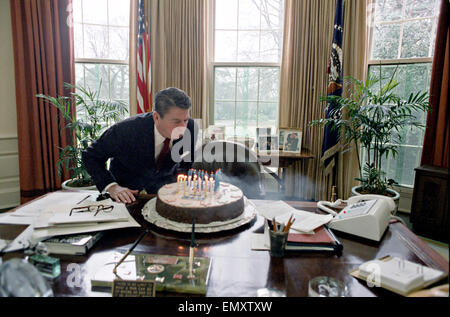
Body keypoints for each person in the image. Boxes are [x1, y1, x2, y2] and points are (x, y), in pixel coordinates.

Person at [82, 87, 197, 204]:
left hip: (165, 194)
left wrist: (183, 184)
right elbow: (90, 156)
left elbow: (186, 161)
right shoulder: (126, 130)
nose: (183, 128)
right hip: (126, 196)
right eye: (176, 122)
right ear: (156, 117)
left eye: (185, 120)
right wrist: (112, 186)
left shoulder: (190, 127)